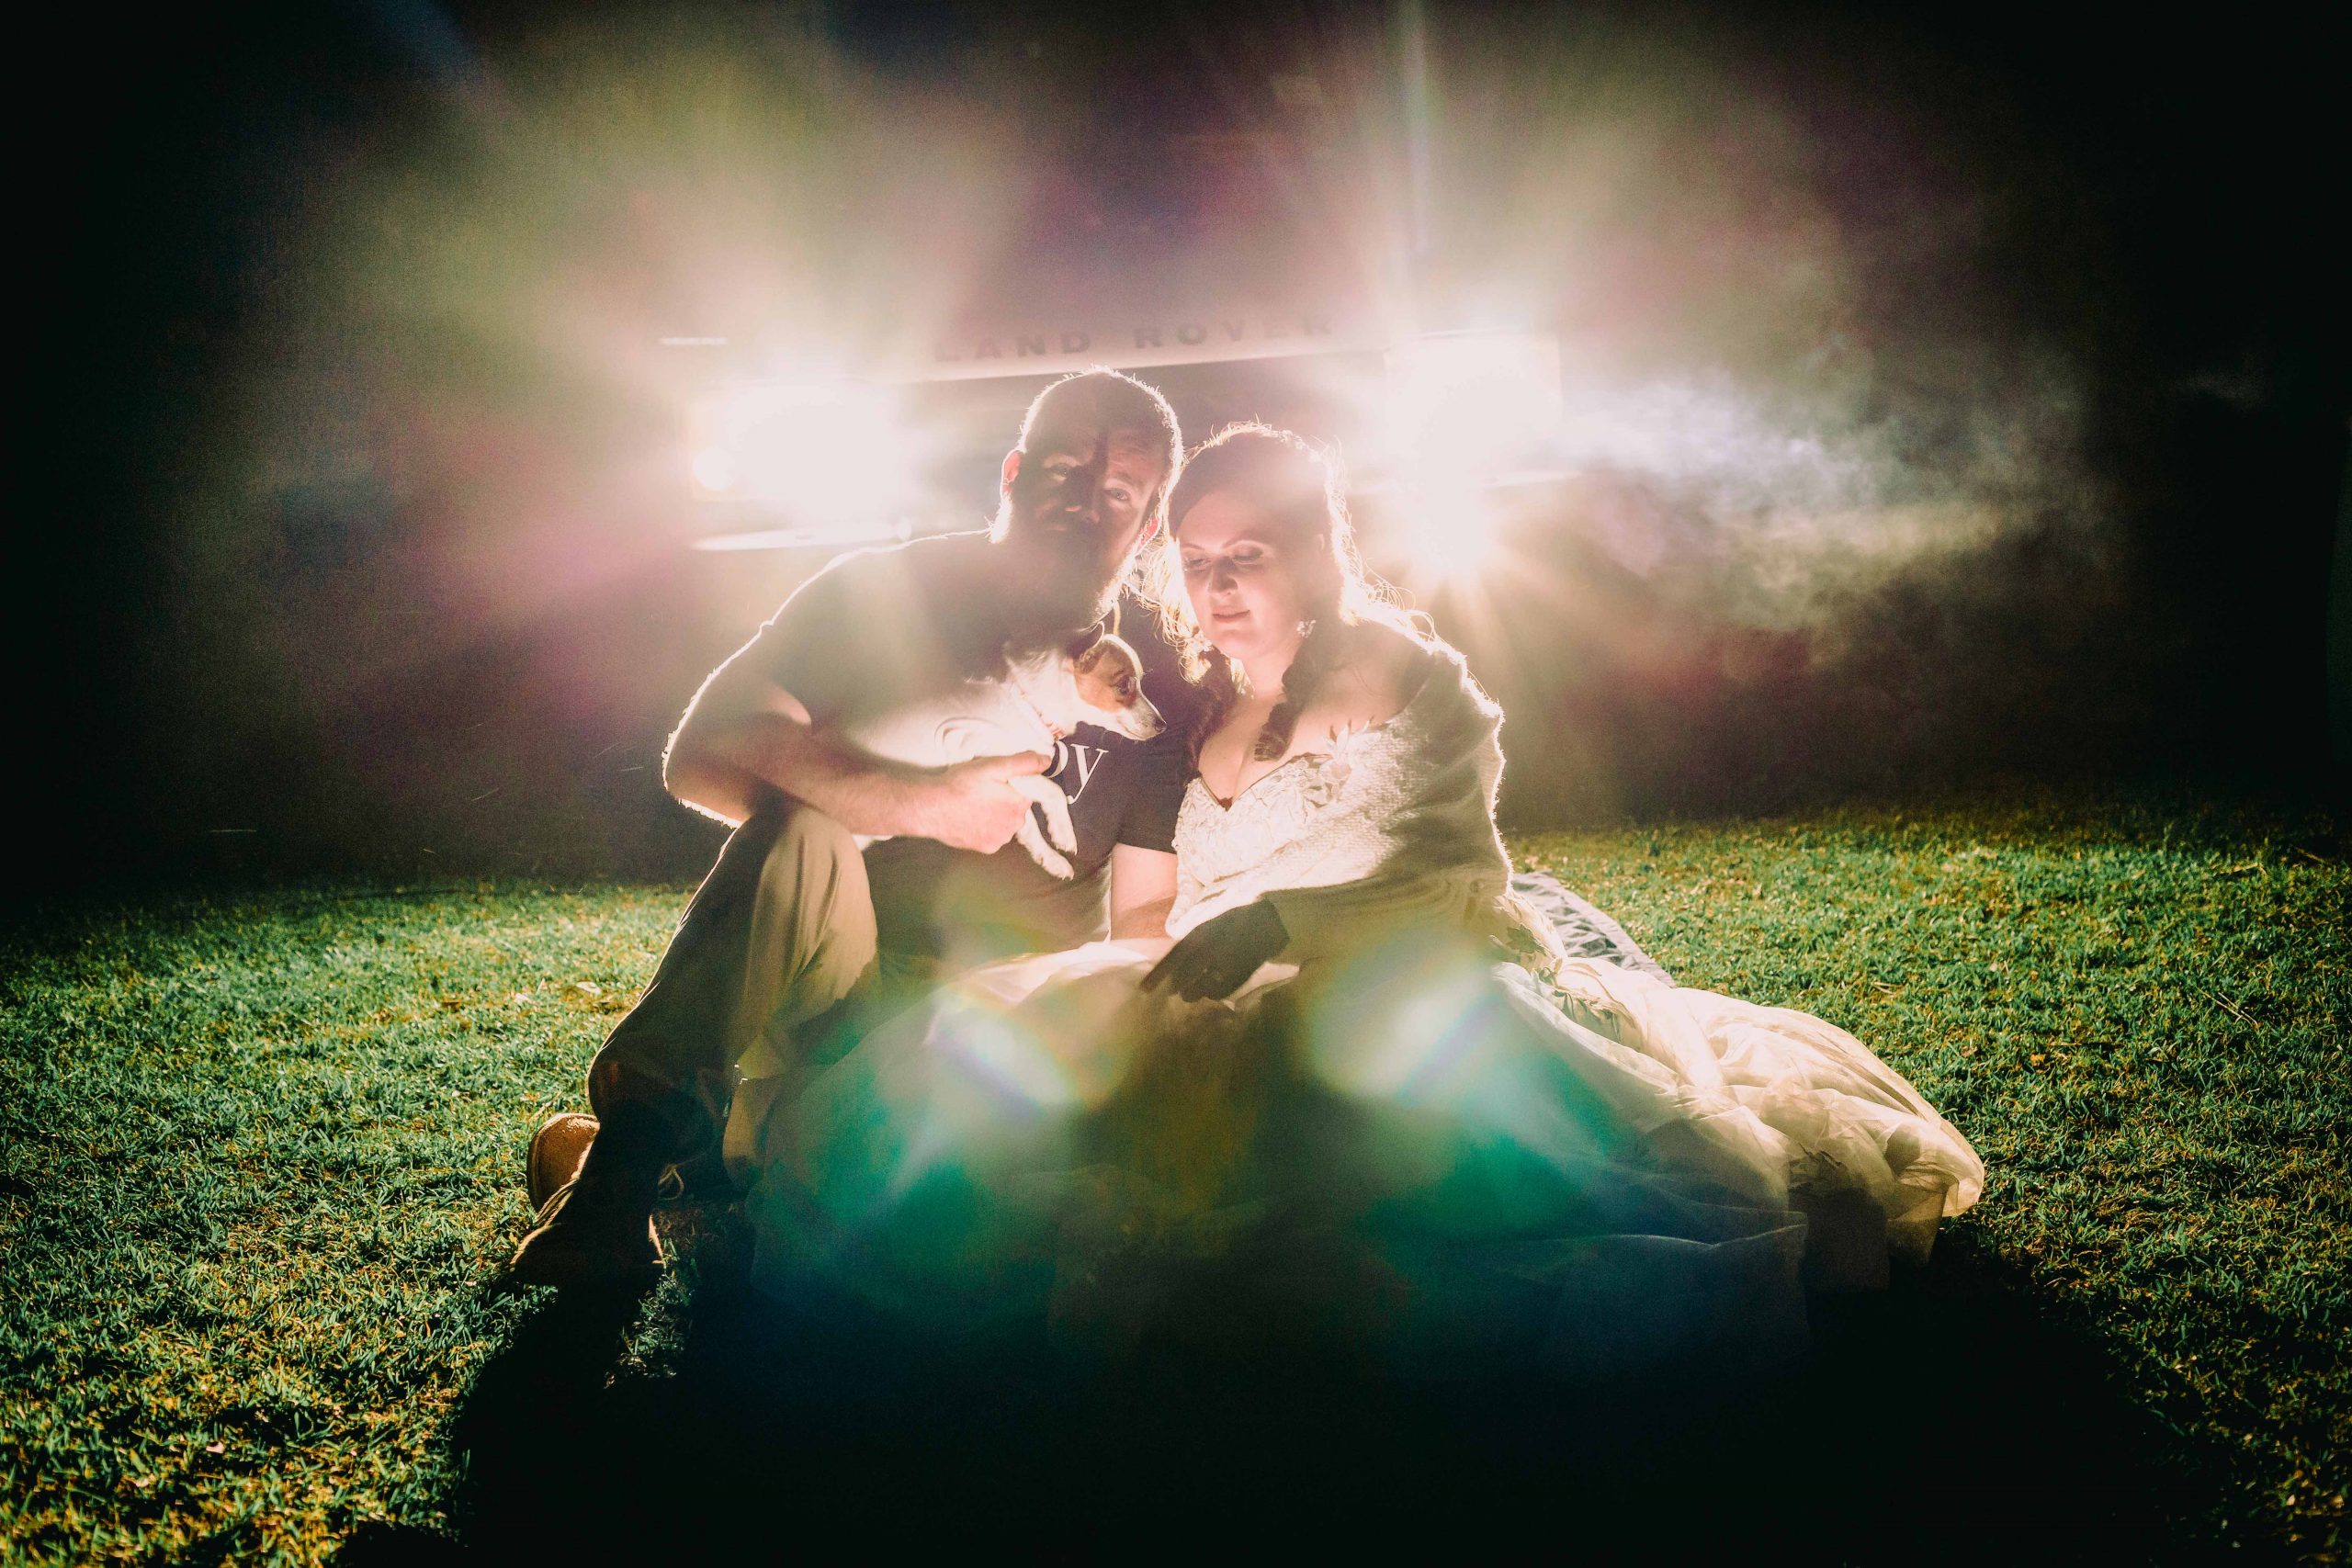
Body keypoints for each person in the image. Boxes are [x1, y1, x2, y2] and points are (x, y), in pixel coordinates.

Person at [738, 423, 1985, 1371]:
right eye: (1199, 562)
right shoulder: (1193, 716)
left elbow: (1456, 886)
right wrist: (1140, 979)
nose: (1219, 586)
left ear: (1320, 553)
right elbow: (1149, 907)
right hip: (1219, 994)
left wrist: (1286, 925)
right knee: (1030, 1123)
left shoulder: (1405, 675)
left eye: (1250, 556)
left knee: (1390, 1158)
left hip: (1403, 977)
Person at [507, 367, 1194, 1289]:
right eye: (1065, 471)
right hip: (840, 988)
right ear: (1012, 474)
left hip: (998, 1031)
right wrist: (919, 803)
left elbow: (1143, 919)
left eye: (1116, 491)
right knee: (803, 831)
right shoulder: (884, 590)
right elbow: (700, 752)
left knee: (914, 1216)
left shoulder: (1155, 690)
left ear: (1147, 526)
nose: (1083, 502)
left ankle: (715, 1153)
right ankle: (618, 1183)